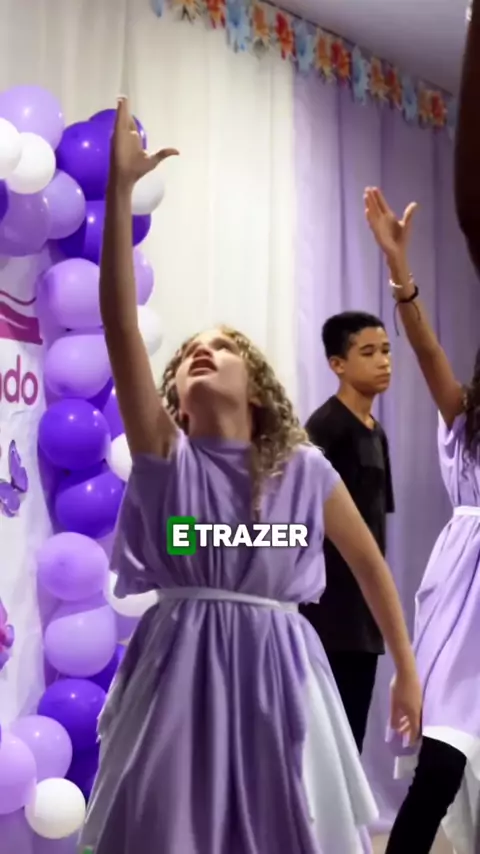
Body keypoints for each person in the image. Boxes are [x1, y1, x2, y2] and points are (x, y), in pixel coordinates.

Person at [79, 97, 421, 854]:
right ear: (176, 401)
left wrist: (406, 670)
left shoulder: (304, 470)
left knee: (281, 826)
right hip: (179, 673)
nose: (201, 352)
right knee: (170, 827)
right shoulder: (168, 457)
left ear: (258, 388)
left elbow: (370, 567)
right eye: (187, 355)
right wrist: (120, 192)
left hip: (278, 670)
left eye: (222, 347)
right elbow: (119, 324)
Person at [364, 181, 480, 853]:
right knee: (441, 760)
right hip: (465, 603)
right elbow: (427, 350)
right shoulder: (465, 419)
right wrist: (398, 268)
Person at [300, 312, 394, 754]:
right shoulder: (323, 430)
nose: (383, 361)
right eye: (369, 352)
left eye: (386, 351)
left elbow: (376, 524)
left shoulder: (377, 434)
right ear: (337, 364)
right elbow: (297, 520)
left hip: (364, 616)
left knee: (350, 740)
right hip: (326, 614)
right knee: (321, 742)